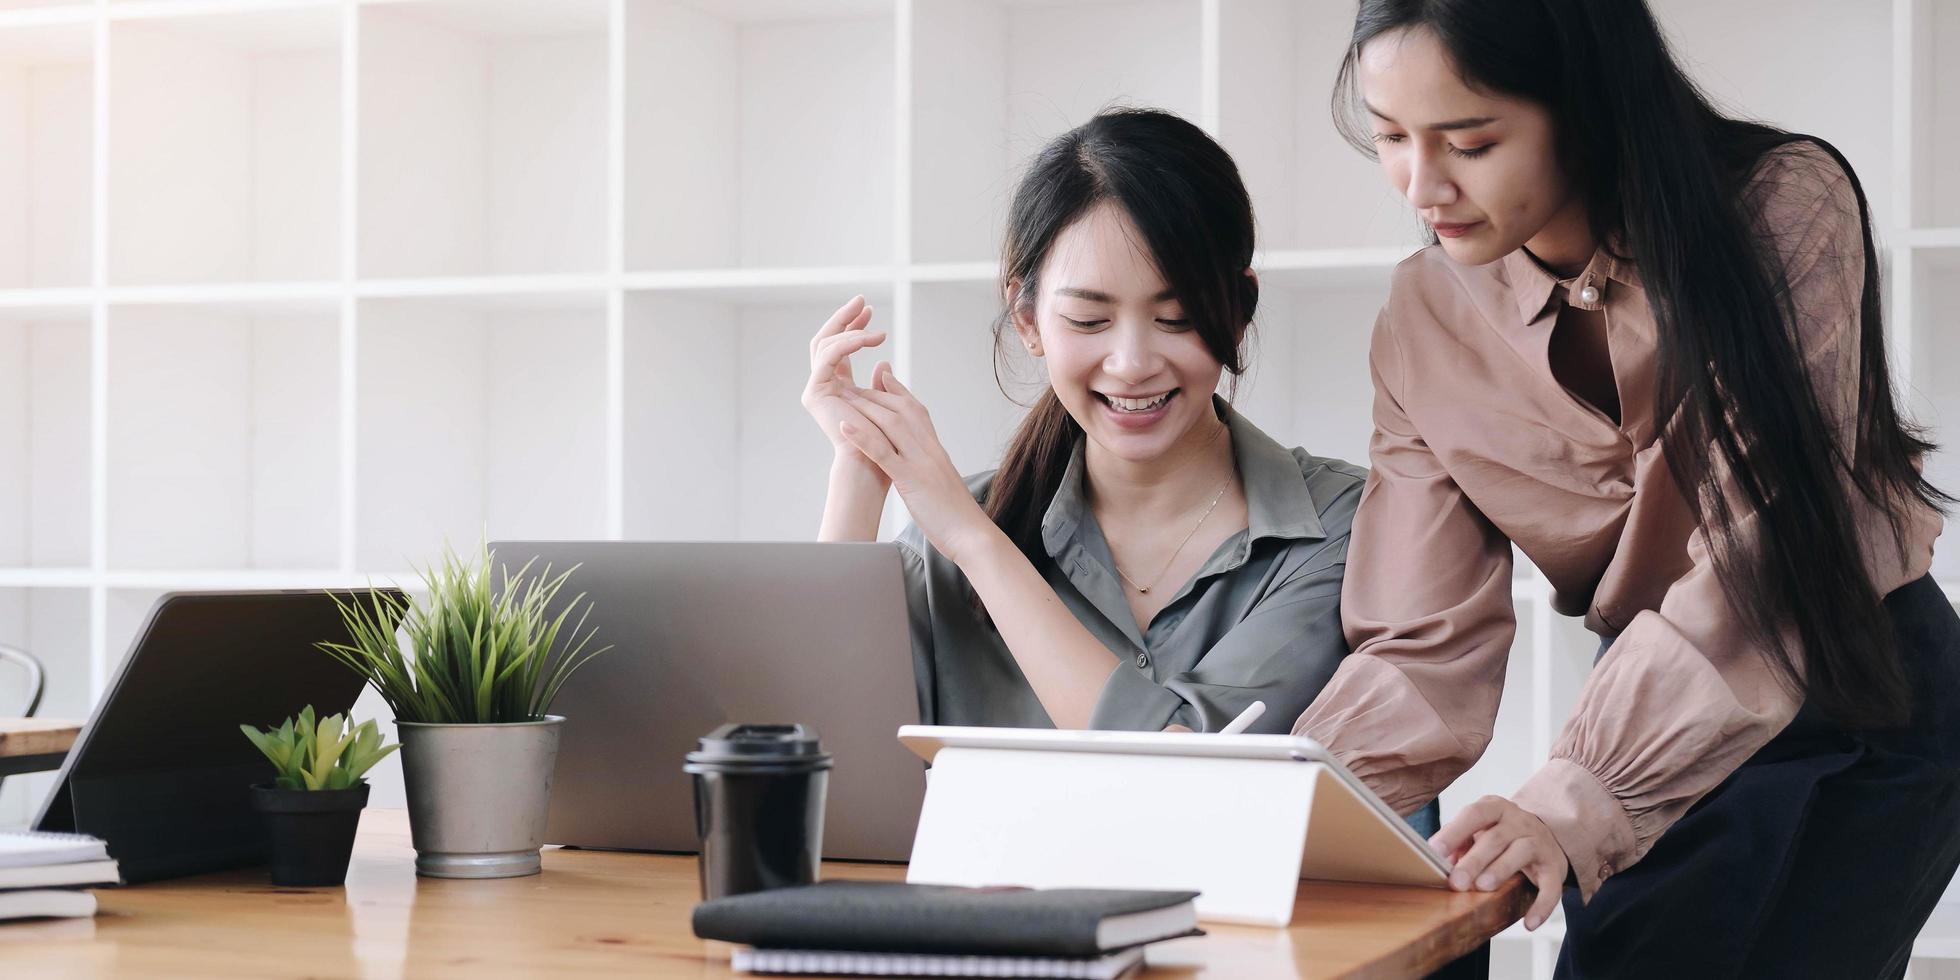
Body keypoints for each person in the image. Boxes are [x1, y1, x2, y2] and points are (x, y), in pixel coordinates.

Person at [1289, 0, 1960, 974]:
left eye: (1468, 141)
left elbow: (1760, 562)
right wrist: (1295, 792)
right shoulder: (1422, 313)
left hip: (1854, 698)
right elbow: (1422, 640)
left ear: (1586, 102)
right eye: (1390, 136)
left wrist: (1571, 798)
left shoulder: (1780, 205)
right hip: (1642, 713)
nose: (1420, 184)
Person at [799, 108, 1446, 831]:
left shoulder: (1339, 529)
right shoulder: (949, 539)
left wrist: (975, 540)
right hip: (995, 941)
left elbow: (1173, 778)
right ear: (1027, 321)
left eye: (1175, 317)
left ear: (1238, 311)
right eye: (1088, 320)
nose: (1133, 363)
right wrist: (858, 474)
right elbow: (812, 788)